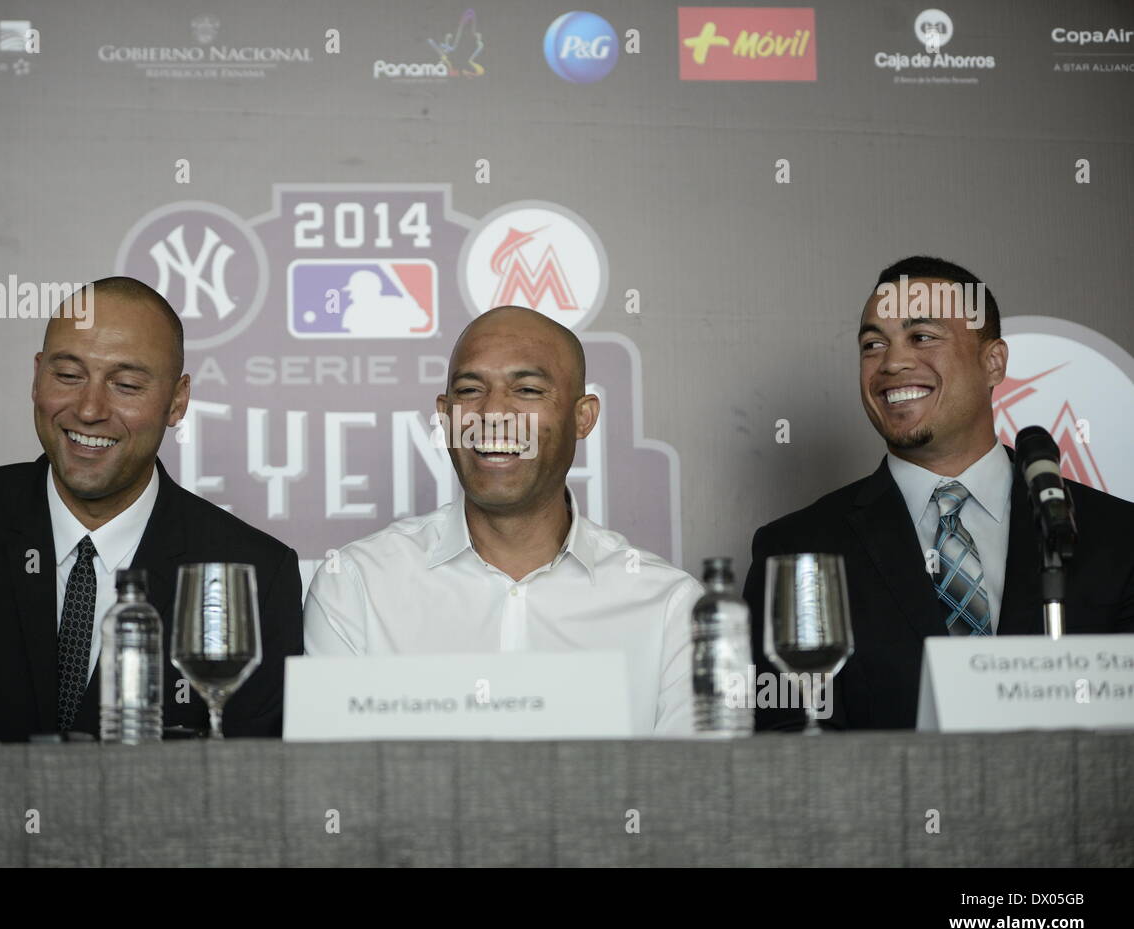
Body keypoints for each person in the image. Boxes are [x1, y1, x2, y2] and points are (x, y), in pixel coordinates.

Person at [0, 277, 303, 741]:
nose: (90, 409)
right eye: (68, 376)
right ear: (37, 377)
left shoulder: (256, 573)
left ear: (177, 400)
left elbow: (257, 790)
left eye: (126, 384)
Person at [742, 256, 1134, 730]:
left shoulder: (1117, 537)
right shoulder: (797, 550)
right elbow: (787, 750)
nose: (892, 362)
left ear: (994, 362)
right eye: (872, 344)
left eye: (922, 336)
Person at [304, 306, 701, 736]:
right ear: (445, 415)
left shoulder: (672, 609)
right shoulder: (357, 585)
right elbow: (335, 788)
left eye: (528, 390)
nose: (493, 412)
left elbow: (688, 793)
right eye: (470, 390)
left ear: (582, 417)